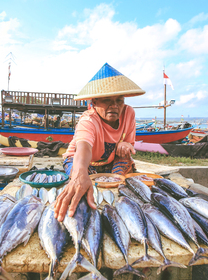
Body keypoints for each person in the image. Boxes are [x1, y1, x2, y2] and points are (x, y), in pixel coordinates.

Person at [54, 63, 145, 221]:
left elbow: (130, 144)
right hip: (80, 161)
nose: (114, 105)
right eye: (106, 100)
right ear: (94, 103)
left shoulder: (129, 113)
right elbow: (83, 148)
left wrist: (126, 145)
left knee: (116, 183)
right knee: (85, 182)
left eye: (119, 100)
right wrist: (80, 173)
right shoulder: (88, 120)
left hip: (109, 160)